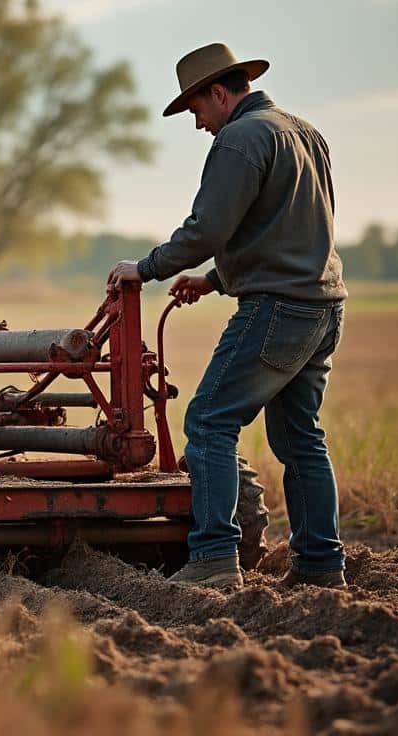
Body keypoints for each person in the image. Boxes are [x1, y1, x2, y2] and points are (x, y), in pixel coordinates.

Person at [110, 43, 348, 590]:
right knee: (300, 436)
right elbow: (292, 228)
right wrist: (216, 279)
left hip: (277, 309)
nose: (199, 125)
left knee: (209, 422)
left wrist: (143, 269)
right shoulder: (304, 132)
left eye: (196, 111)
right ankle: (319, 566)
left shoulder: (239, 139)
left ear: (219, 93)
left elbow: (207, 229)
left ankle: (214, 556)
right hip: (324, 306)